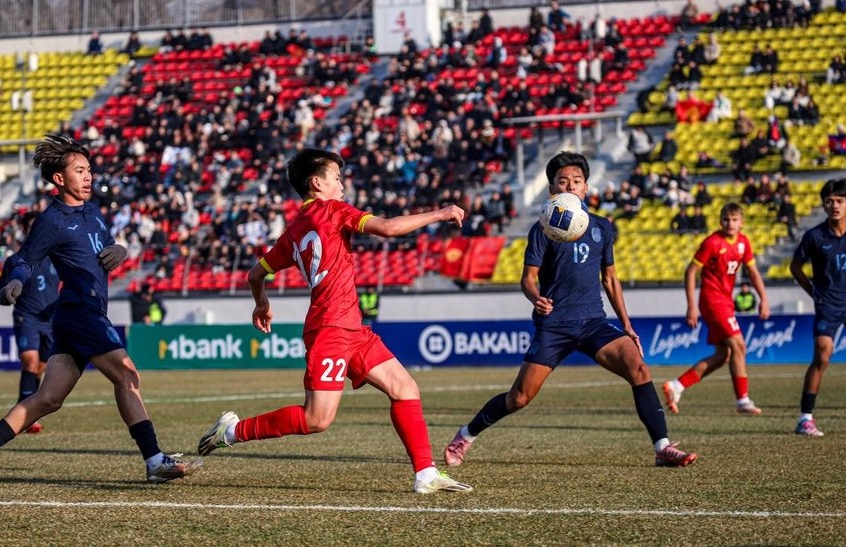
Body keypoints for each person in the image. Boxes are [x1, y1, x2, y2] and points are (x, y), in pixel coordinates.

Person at [196, 148, 472, 494]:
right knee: (317, 419)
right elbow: (386, 228)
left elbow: (255, 274)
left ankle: (426, 474)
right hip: (330, 327)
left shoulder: (293, 230)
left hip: (350, 327)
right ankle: (232, 431)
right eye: (336, 178)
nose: (342, 185)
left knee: (405, 389)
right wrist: (440, 213)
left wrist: (262, 304)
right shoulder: (332, 210)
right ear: (316, 183)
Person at [0, 134, 198, 484]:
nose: (89, 176)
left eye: (89, 170)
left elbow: (104, 245)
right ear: (59, 178)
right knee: (127, 375)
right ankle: (154, 459)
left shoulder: (92, 210)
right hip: (82, 311)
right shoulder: (51, 220)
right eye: (80, 170)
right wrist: (16, 282)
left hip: (72, 314)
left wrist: (120, 250)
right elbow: (24, 259)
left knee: (49, 398)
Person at [444, 152, 698, 469]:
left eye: (576, 181)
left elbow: (610, 279)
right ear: (553, 187)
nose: (570, 186)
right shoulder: (543, 229)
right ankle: (466, 435)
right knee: (519, 398)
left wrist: (627, 326)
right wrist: (536, 296)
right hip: (555, 325)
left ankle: (662, 447)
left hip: (593, 323)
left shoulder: (602, 227)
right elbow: (528, 279)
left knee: (639, 369)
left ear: (586, 187)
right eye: (563, 182)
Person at [662, 203, 769, 416]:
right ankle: (743, 400)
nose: (730, 224)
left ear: (742, 222)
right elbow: (691, 272)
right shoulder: (712, 242)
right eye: (726, 220)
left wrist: (763, 298)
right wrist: (691, 305)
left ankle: (677, 386)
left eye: (735, 220)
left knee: (723, 355)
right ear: (720, 221)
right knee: (739, 345)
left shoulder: (743, 243)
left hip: (725, 301)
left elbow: (754, 272)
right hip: (712, 300)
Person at [0, 211, 59, 434]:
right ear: (25, 230)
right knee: (30, 362)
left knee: (41, 368)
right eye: (31, 226)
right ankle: (27, 418)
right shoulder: (16, 260)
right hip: (27, 318)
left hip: (51, 320)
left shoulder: (57, 256)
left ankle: (24, 408)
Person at [789, 179, 846, 437]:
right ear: (823, 204)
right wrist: (813, 292)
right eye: (829, 201)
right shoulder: (814, 236)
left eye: (839, 201)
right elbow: (795, 267)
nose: (834, 205)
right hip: (828, 305)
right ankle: (805, 419)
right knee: (822, 357)